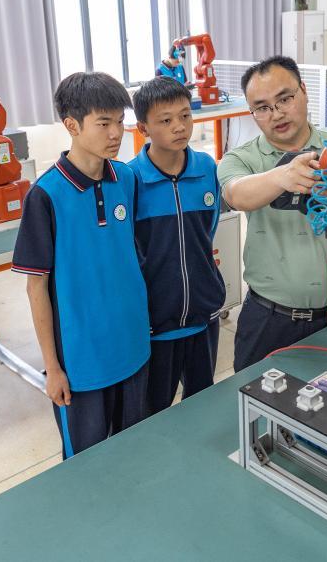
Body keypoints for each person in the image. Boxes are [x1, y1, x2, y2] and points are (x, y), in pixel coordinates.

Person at [13, 71, 150, 458]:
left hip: (134, 348)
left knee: (133, 452)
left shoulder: (126, 179)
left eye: (120, 121)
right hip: (81, 365)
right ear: (71, 125)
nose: (116, 133)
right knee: (86, 467)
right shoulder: (45, 195)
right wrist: (53, 368)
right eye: (103, 123)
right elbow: (36, 287)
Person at [217, 56, 327, 371]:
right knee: (254, 396)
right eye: (262, 107)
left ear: (303, 91)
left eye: (285, 99)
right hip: (267, 319)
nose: (276, 113)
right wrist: (282, 177)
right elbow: (236, 194)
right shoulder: (242, 159)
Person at [129, 77, 225, 414]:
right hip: (155, 324)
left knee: (202, 405)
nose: (179, 127)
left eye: (185, 116)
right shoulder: (131, 180)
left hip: (204, 315)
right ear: (143, 128)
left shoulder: (207, 169)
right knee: (153, 413)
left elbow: (208, 231)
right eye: (166, 120)